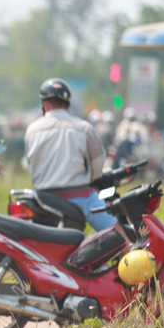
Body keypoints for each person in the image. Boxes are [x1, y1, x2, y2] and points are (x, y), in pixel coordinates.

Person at [24, 78, 114, 232]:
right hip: (80, 198)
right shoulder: (83, 128)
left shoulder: (32, 130)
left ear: (45, 105)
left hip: (43, 200)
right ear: (67, 104)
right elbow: (98, 163)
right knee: (119, 235)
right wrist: (92, 179)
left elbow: (30, 163)